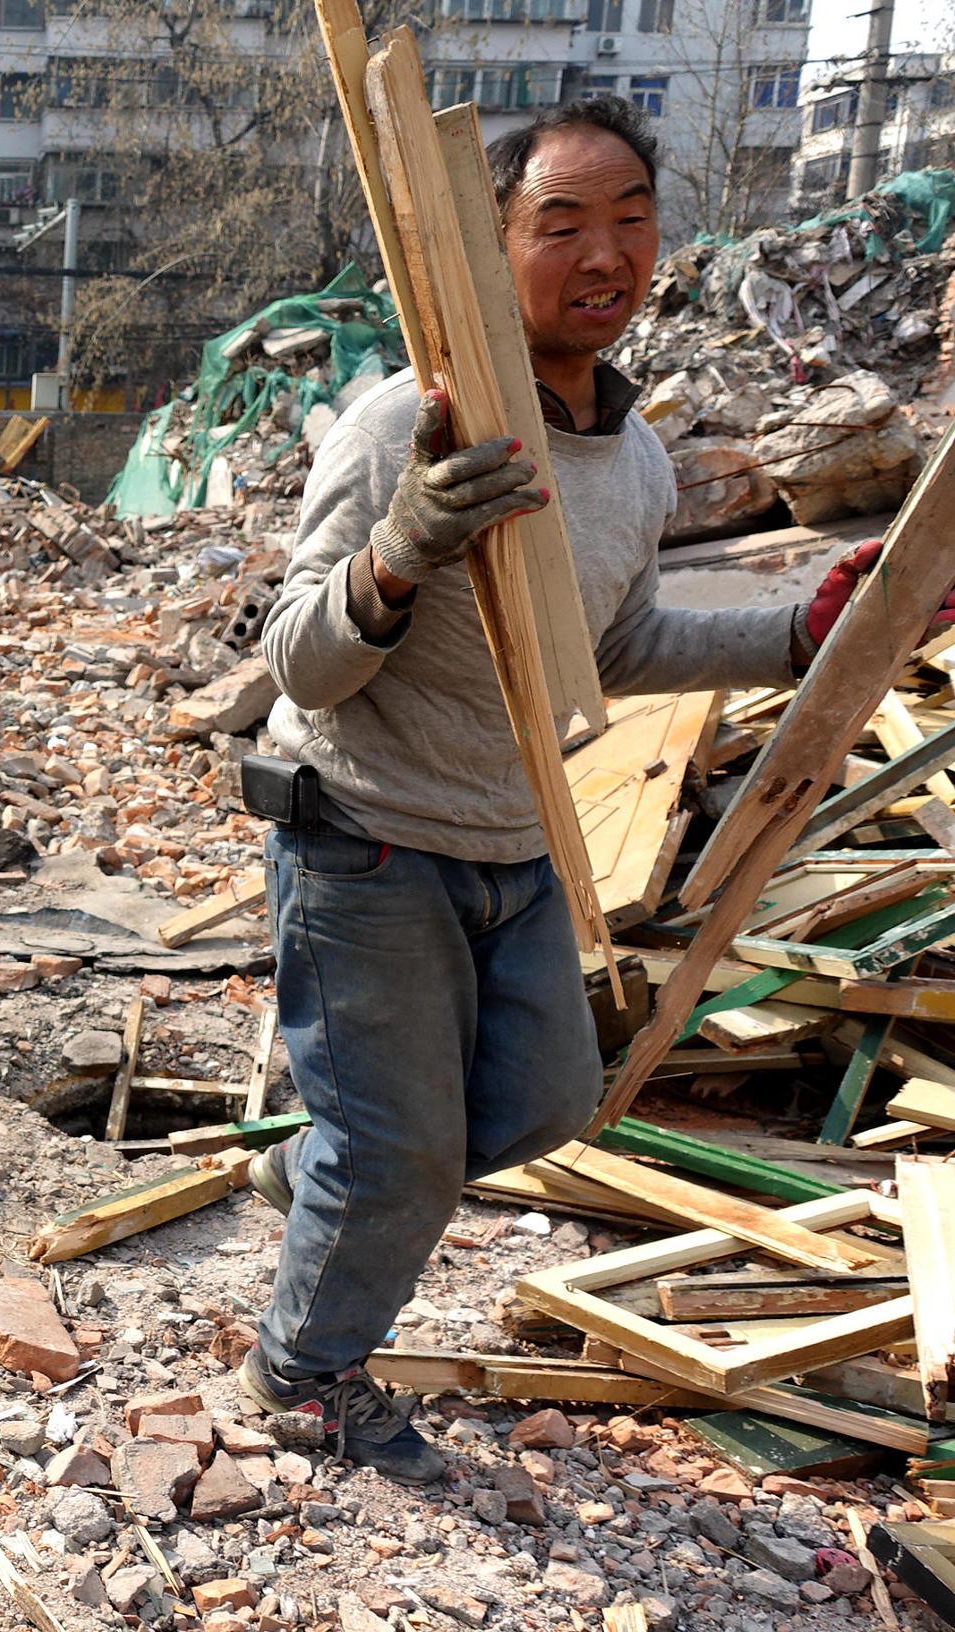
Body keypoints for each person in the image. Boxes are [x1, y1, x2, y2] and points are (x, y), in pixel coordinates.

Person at [245, 95, 954, 1480]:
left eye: (628, 219)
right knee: (399, 1154)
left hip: (513, 849)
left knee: (542, 1108)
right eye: (559, 222)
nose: (602, 253)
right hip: (365, 843)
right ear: (484, 241)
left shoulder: (628, 455)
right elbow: (295, 660)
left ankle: (320, 1173)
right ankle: (303, 1376)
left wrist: (801, 628)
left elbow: (615, 646)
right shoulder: (408, 425)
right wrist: (394, 553)